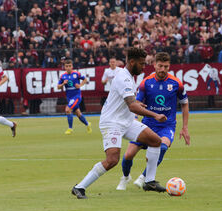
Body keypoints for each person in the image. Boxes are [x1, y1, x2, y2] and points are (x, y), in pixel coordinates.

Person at [71, 47, 167, 199]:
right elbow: (131, 105)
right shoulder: (124, 77)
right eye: (141, 64)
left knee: (155, 141)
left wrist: (137, 104)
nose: (143, 67)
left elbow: (130, 102)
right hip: (112, 122)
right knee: (112, 160)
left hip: (126, 121)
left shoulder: (128, 76)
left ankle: (149, 181)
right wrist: (155, 115)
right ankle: (79, 187)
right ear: (132, 62)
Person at [116, 52, 190, 190]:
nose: (163, 69)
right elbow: (137, 103)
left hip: (166, 126)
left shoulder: (176, 83)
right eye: (160, 66)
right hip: (147, 124)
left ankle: (144, 178)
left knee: (161, 147)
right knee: (128, 155)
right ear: (154, 65)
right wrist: (135, 119)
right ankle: (125, 177)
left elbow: (185, 103)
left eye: (166, 67)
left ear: (169, 67)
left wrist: (184, 127)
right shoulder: (146, 83)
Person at [57, 59, 92, 135]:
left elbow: (85, 80)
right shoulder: (63, 76)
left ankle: (70, 128)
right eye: (67, 66)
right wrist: (63, 83)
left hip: (76, 96)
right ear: (65, 67)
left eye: (70, 66)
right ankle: (87, 124)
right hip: (69, 97)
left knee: (68, 109)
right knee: (78, 113)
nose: (68, 67)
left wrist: (80, 85)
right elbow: (58, 87)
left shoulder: (77, 74)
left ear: (72, 66)